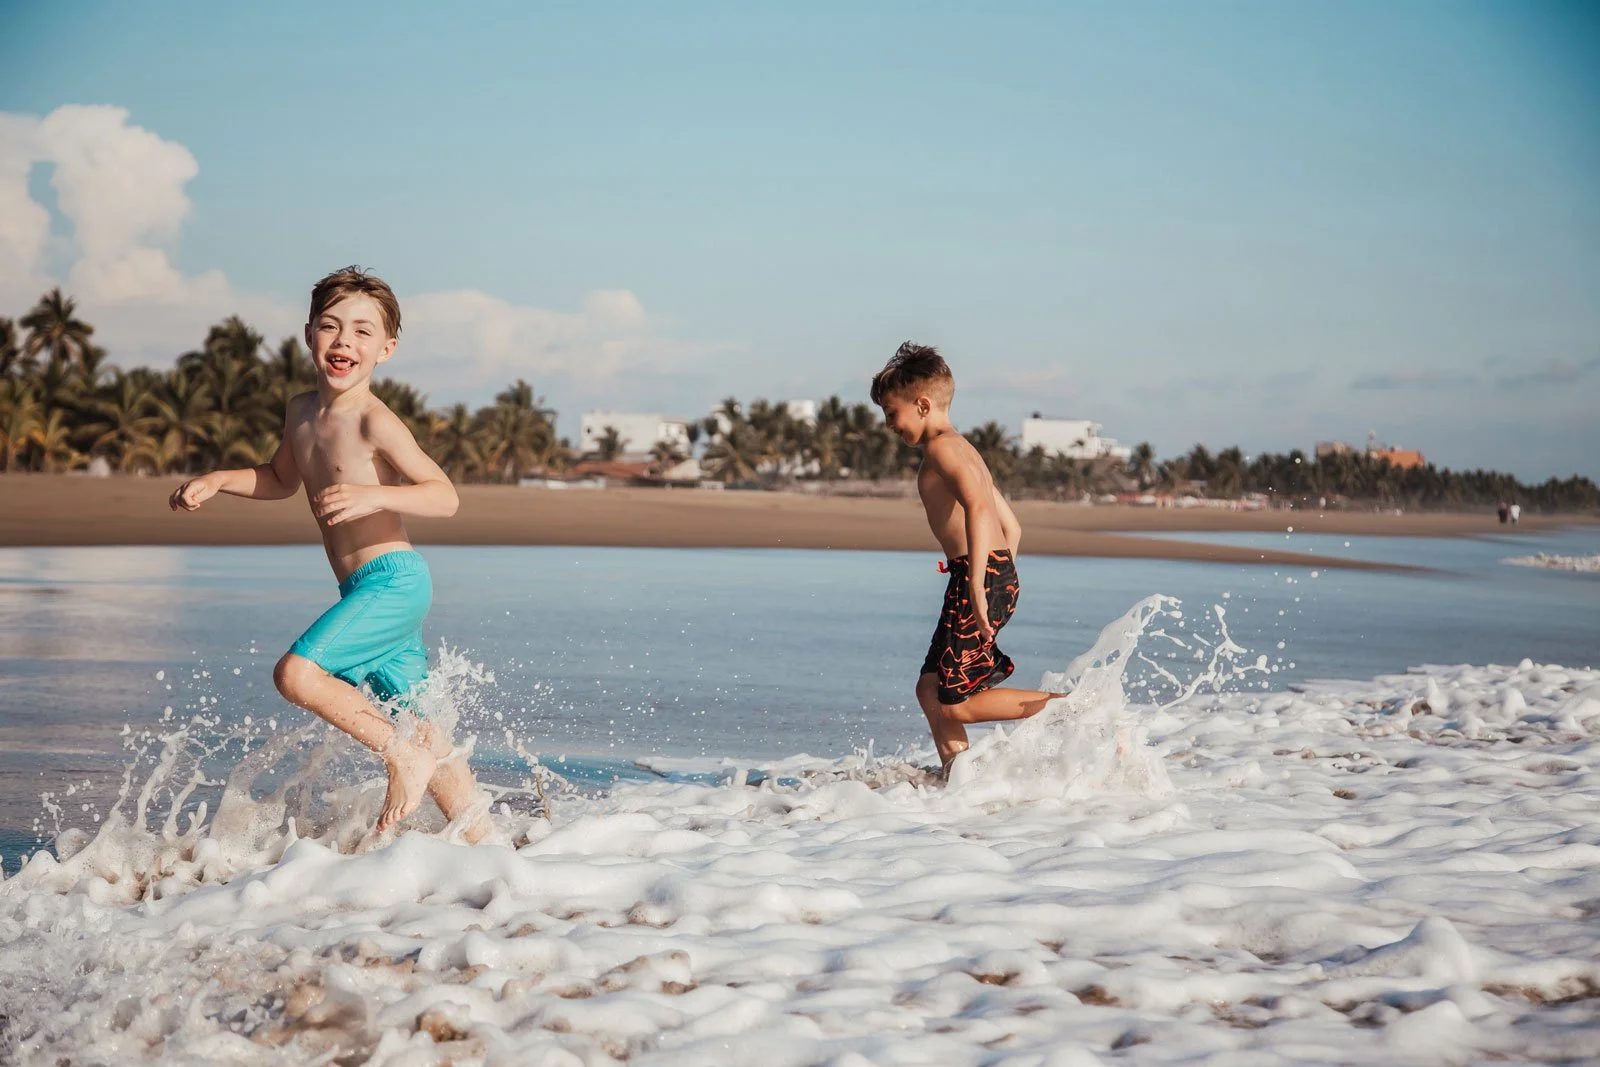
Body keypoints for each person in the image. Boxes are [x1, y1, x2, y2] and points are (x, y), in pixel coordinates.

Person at [169, 266, 488, 842]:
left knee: (298, 674)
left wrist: (372, 492)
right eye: (332, 326)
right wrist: (217, 479)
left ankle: (400, 757)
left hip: (393, 582)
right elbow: (277, 479)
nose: (345, 342)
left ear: (387, 348)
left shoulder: (374, 420)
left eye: (363, 332)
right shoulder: (300, 412)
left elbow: (445, 496)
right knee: (428, 731)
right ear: (309, 332)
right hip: (363, 591)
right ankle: (488, 844)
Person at [871, 342, 1063, 773]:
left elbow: (979, 508)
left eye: (891, 412)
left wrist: (978, 584)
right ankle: (958, 779)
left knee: (956, 705)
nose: (889, 424)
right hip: (985, 572)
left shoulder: (942, 450)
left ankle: (1074, 709)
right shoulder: (963, 448)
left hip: (978, 577)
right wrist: (996, 574)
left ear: (922, 404)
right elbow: (1012, 528)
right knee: (929, 689)